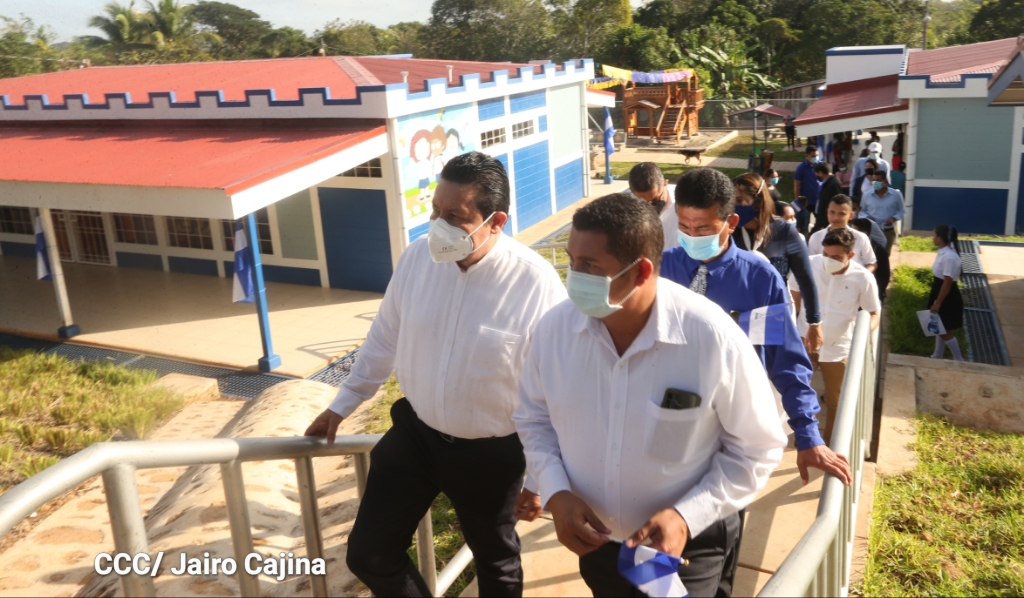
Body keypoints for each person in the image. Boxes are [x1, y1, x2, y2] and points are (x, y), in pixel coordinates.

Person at [305, 152, 567, 597]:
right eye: (435, 211)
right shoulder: (416, 260)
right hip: (417, 436)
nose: (437, 225)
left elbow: (557, 390)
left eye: (454, 216)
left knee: (496, 565)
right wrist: (342, 405)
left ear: (496, 221)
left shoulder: (536, 284)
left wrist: (542, 479)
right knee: (369, 553)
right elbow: (383, 338)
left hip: (492, 454)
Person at [513, 193, 787, 598]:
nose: (574, 276)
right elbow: (534, 419)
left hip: (681, 545)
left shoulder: (711, 339)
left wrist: (685, 516)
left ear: (641, 271)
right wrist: (556, 491)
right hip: (598, 543)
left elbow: (757, 448)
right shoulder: (554, 332)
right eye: (571, 261)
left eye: (589, 266)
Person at [663, 168, 852, 486]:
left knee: (721, 506)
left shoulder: (760, 280)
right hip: (669, 416)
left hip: (730, 426)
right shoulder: (662, 271)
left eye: (704, 228)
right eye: (684, 227)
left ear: (731, 222)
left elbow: (785, 360)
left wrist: (808, 434)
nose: (693, 237)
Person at [799, 228, 880, 443]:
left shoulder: (863, 278)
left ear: (850, 255)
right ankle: (805, 436)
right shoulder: (808, 265)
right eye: (825, 254)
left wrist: (862, 336)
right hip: (804, 341)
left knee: (836, 400)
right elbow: (795, 294)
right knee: (798, 392)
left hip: (838, 348)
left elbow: (874, 313)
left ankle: (830, 444)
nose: (828, 260)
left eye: (835, 257)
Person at [732, 172, 823, 350]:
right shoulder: (729, 232)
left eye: (739, 200)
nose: (733, 206)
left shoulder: (785, 232)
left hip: (774, 314)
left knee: (771, 365)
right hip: (737, 314)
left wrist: (814, 322)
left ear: (758, 201)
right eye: (731, 201)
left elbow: (806, 279)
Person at [807, 194, 877, 273]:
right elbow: (811, 264)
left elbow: (871, 263)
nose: (835, 217)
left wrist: (862, 277)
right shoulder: (816, 237)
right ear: (827, 212)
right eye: (832, 212)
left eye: (841, 214)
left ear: (851, 215)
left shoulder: (861, 237)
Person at [929, 225, 965, 361]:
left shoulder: (949, 257)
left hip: (947, 296)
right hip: (939, 291)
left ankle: (958, 359)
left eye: (934, 235)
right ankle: (938, 354)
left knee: (942, 329)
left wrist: (938, 303)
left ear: (939, 238)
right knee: (938, 325)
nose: (933, 238)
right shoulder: (943, 252)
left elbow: (948, 282)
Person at [629, 162, 678, 250]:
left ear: (665, 183)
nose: (649, 206)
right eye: (643, 202)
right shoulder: (625, 207)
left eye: (655, 200)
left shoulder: (684, 203)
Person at [860, 170, 905, 256]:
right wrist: (867, 217)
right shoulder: (866, 195)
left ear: (885, 181)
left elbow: (902, 210)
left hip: (888, 231)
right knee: (871, 255)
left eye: (878, 180)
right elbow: (861, 211)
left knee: (884, 255)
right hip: (872, 231)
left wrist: (894, 218)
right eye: (873, 180)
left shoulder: (896, 194)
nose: (875, 183)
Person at [850, 218, 891, 301]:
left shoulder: (878, 250)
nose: (852, 235)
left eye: (855, 232)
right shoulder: (848, 246)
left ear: (866, 233)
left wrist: (879, 294)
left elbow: (884, 275)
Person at [793, 145, 822, 235]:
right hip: (806, 203)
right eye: (813, 156)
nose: (816, 157)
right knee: (804, 225)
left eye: (817, 155)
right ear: (807, 155)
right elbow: (797, 185)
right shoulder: (801, 168)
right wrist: (799, 202)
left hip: (818, 201)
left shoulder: (820, 165)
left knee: (821, 223)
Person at [812, 162, 843, 234]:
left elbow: (831, 205)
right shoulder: (827, 183)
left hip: (825, 223)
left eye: (816, 173)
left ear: (820, 172)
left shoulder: (832, 185)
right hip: (821, 221)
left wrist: (824, 224)